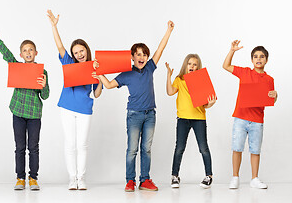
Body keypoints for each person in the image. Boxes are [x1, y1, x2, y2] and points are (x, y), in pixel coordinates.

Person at [95, 21, 175, 192]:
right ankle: (130, 181)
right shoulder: (126, 73)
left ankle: (145, 180)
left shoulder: (150, 68)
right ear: (132, 57)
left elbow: (160, 49)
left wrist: (168, 30)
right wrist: (99, 74)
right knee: (132, 149)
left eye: (144, 54)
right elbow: (108, 85)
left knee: (146, 149)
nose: (141, 57)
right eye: (138, 54)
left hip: (150, 115)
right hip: (134, 115)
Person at [0, 25, 49, 190]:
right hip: (18, 112)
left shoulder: (42, 71)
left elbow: (46, 96)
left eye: (31, 50)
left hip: (35, 114)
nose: (28, 52)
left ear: (36, 53)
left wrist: (43, 86)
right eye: (25, 50)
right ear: (21, 54)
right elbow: (6, 54)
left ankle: (33, 178)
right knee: (20, 147)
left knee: (33, 147)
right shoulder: (17, 66)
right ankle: (20, 178)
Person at [47, 10, 103, 190]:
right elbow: (59, 46)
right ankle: (73, 179)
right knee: (70, 144)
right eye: (76, 52)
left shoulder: (94, 66)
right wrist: (54, 26)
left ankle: (82, 178)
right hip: (67, 108)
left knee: (82, 144)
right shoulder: (68, 63)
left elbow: (97, 94)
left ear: (87, 50)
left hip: (85, 109)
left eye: (81, 50)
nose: (79, 54)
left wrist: (100, 77)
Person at [222, 40, 278, 189]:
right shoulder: (245, 72)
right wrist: (232, 50)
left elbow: (270, 98)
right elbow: (226, 66)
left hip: (257, 120)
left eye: (261, 56)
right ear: (251, 59)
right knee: (237, 148)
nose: (258, 59)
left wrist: (275, 95)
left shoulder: (269, 80)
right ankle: (235, 177)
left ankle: (254, 178)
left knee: (255, 150)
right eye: (255, 56)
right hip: (240, 118)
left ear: (266, 59)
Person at [165, 54, 216, 189]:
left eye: (195, 64)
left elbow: (206, 104)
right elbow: (170, 92)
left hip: (199, 119)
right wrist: (169, 76)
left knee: (203, 148)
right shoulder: (179, 80)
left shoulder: (200, 81)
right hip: (183, 119)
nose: (192, 66)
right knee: (179, 148)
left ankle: (208, 176)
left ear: (198, 67)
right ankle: (174, 176)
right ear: (185, 65)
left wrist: (210, 103)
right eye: (190, 64)